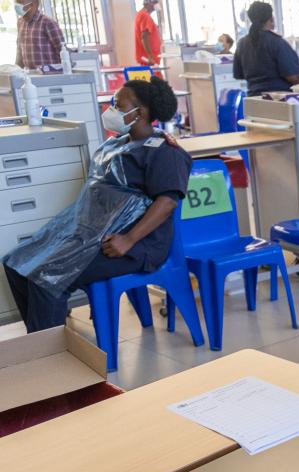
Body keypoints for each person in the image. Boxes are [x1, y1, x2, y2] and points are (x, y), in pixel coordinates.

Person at [3, 77, 192, 333]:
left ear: (141, 112)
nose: (110, 111)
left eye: (118, 105)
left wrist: (129, 240)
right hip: (90, 234)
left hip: (133, 244)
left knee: (47, 277)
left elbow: (168, 201)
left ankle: (52, 358)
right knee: (16, 262)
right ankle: (40, 342)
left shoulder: (164, 152)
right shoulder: (116, 144)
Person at [233, 2, 299, 96]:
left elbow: (239, 75)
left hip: (253, 99)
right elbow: (292, 77)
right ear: (270, 18)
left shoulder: (241, 44)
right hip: (279, 99)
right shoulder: (277, 42)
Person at [14, 0, 63, 70]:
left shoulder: (48, 23)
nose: (17, 5)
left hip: (49, 75)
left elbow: (62, 50)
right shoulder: (20, 22)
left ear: (32, 4)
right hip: (30, 75)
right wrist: (16, 71)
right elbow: (19, 50)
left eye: (20, 2)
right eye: (17, 2)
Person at [134, 0, 162, 66]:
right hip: (149, 61)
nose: (157, 4)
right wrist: (150, 56)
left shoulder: (141, 14)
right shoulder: (145, 16)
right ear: (149, 3)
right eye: (155, 2)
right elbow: (144, 36)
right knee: (156, 76)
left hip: (148, 60)